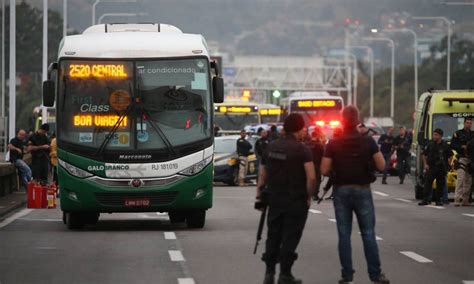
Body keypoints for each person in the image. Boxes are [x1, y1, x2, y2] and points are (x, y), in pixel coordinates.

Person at [321, 105, 389, 284]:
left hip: (341, 190)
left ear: (342, 120)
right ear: (358, 120)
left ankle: (347, 275)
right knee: (368, 233)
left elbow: (324, 169)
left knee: (344, 235)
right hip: (363, 189)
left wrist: (337, 169)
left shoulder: (333, 143)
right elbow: (382, 165)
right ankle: (375, 275)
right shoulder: (368, 142)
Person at [256, 113, 316, 284]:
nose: (305, 131)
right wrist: (308, 196)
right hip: (295, 201)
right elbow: (311, 177)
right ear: (297, 129)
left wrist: (259, 196)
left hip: (274, 199)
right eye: (303, 128)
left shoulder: (271, 147)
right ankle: (285, 273)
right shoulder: (303, 149)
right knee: (291, 236)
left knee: (273, 235)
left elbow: (262, 173)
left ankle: (269, 273)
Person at [419, 128, 453, 206]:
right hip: (431, 167)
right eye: (434, 134)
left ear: (440, 136)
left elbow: (451, 155)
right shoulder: (430, 144)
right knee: (428, 184)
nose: (434, 136)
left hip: (441, 168)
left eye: (436, 135)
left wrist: (449, 164)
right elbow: (424, 154)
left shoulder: (445, 145)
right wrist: (425, 164)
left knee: (440, 185)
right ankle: (425, 200)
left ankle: (438, 200)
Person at [450, 117, 473, 206]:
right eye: (467, 123)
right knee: (460, 179)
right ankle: (457, 199)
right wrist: (461, 147)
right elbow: (452, 145)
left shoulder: (472, 134)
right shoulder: (458, 133)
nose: (469, 124)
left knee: (468, 180)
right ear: (464, 123)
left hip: (471, 159)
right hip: (462, 158)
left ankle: (465, 200)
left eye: (470, 123)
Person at [305, 129, 324, 201]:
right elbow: (323, 155)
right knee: (317, 179)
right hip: (317, 164)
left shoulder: (307, 144)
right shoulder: (320, 145)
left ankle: (308, 193)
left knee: (308, 178)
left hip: (308, 164)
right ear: (317, 136)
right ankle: (315, 194)